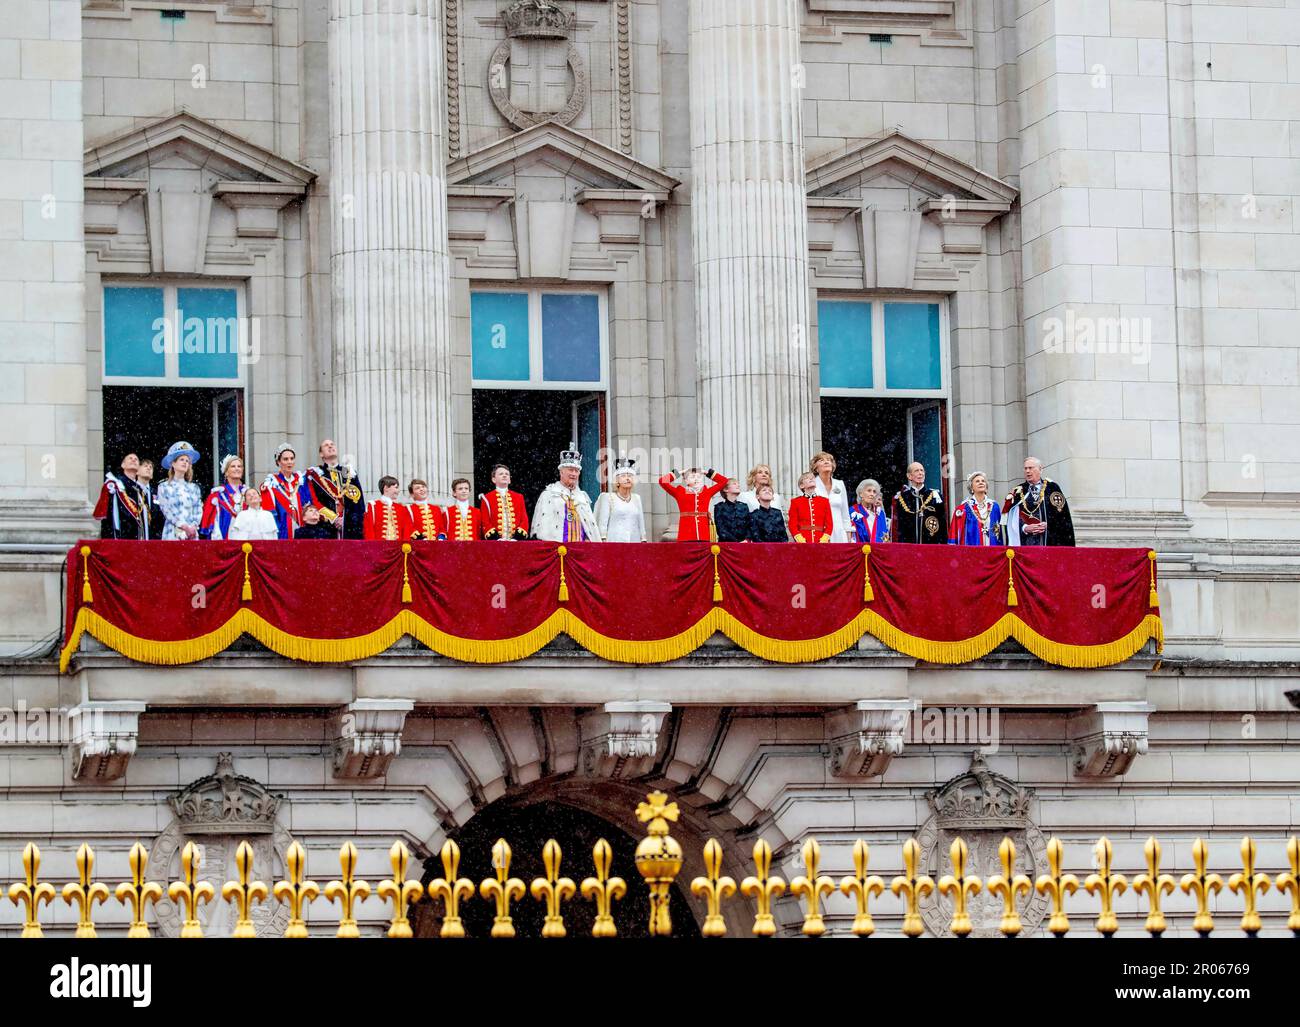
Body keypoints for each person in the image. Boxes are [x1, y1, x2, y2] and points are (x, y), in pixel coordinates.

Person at [532, 444, 602, 543]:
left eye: (576, 471)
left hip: (580, 549)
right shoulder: (549, 494)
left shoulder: (582, 497)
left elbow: (589, 526)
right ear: (561, 472)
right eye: (570, 470)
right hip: (557, 549)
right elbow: (542, 527)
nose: (573, 474)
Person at [1003, 457, 1075, 546]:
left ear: (1040, 469)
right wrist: (1024, 528)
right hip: (1026, 545)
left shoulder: (1052, 488)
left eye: (1031, 468)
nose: (1028, 471)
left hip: (1049, 543)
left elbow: (1063, 516)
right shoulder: (1018, 492)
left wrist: (1049, 525)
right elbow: (1011, 520)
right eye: (1025, 468)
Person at [303, 439, 366, 539]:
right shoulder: (315, 474)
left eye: (332, 444)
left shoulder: (348, 472)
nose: (330, 446)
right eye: (326, 445)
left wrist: (346, 520)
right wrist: (334, 518)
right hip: (326, 527)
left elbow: (358, 502)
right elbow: (314, 501)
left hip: (349, 528)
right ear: (321, 454)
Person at [659, 466, 727, 542]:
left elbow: (724, 481)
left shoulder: (706, 492)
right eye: (692, 477)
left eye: (699, 476)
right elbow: (662, 481)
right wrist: (679, 473)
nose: (696, 479)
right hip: (685, 535)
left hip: (703, 535)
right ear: (686, 480)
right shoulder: (679, 492)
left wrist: (706, 472)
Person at [93, 452, 151, 540]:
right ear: (123, 465)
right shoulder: (114, 485)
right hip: (120, 536)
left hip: (137, 538)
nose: (133, 460)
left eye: (136, 459)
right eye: (130, 458)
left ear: (139, 468)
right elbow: (109, 513)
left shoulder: (140, 490)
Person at [156, 441, 204, 541]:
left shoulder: (194, 488)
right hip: (172, 533)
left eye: (187, 461)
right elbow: (166, 510)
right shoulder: (164, 487)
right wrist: (183, 526)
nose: (185, 462)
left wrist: (193, 527)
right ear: (173, 463)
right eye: (181, 459)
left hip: (192, 534)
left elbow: (198, 509)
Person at [890, 461, 947, 544]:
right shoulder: (902, 498)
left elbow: (942, 525)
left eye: (922, 470)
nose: (920, 473)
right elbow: (898, 527)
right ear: (909, 476)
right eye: (916, 471)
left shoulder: (935, 496)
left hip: (931, 546)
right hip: (908, 548)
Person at [593, 458, 646, 542]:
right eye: (623, 476)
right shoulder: (608, 497)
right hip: (614, 544)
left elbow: (641, 522)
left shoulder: (637, 498)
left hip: (634, 543)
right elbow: (602, 525)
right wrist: (603, 541)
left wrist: (643, 539)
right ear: (617, 480)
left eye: (630, 476)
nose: (627, 478)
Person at [261, 443, 306, 540]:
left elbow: (307, 505)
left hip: (302, 533)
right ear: (278, 462)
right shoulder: (271, 483)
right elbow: (269, 514)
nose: (289, 462)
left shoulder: (301, 481)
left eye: (292, 458)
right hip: (282, 534)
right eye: (285, 459)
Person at [199, 455, 248, 541]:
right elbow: (212, 524)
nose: (237, 468)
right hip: (224, 542)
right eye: (233, 466)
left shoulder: (248, 493)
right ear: (226, 472)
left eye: (239, 466)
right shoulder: (217, 495)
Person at [950, 471, 1003, 546]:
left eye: (983, 481)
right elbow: (955, 534)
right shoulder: (963, 509)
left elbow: (999, 533)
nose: (981, 483)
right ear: (971, 487)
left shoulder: (994, 507)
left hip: (992, 551)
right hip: (971, 553)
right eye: (977, 481)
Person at [480, 464, 530, 541]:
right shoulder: (486, 498)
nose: (504, 475)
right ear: (494, 479)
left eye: (507, 474)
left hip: (516, 543)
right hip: (495, 543)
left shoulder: (519, 497)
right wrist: (496, 538)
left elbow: (524, 519)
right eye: (501, 474)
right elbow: (485, 521)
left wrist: (517, 537)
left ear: (509, 480)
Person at [811, 451, 853, 542]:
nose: (826, 462)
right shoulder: (811, 485)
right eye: (822, 460)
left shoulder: (840, 484)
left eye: (829, 460)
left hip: (839, 532)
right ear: (816, 468)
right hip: (819, 533)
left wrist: (848, 535)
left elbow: (845, 513)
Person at [788, 472, 834, 543]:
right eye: (807, 478)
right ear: (801, 485)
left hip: (821, 541)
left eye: (812, 478)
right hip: (803, 542)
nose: (811, 479)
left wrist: (824, 539)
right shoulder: (795, 502)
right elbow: (792, 524)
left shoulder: (824, 501)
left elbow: (829, 524)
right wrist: (800, 539)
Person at [363, 475, 412, 541]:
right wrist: (372, 547)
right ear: (386, 488)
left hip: (397, 549)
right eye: (396, 487)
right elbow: (369, 529)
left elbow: (406, 530)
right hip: (379, 548)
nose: (398, 490)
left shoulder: (401, 508)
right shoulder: (372, 506)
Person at [849, 479, 891, 545]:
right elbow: (850, 537)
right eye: (869, 491)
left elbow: (885, 536)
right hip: (860, 551)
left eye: (874, 492)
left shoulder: (880, 513)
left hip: (879, 552)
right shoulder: (853, 511)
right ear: (861, 494)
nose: (872, 494)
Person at [712, 477, 752, 543]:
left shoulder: (744, 506)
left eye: (738, 484)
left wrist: (747, 540)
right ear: (725, 489)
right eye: (734, 483)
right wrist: (736, 542)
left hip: (744, 544)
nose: (738, 485)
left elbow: (749, 526)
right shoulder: (719, 507)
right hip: (726, 545)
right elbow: (721, 529)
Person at [135, 458, 161, 538]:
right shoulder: (131, 490)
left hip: (153, 539)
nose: (149, 468)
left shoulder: (157, 493)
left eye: (151, 467)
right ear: (137, 471)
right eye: (145, 466)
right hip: (136, 536)